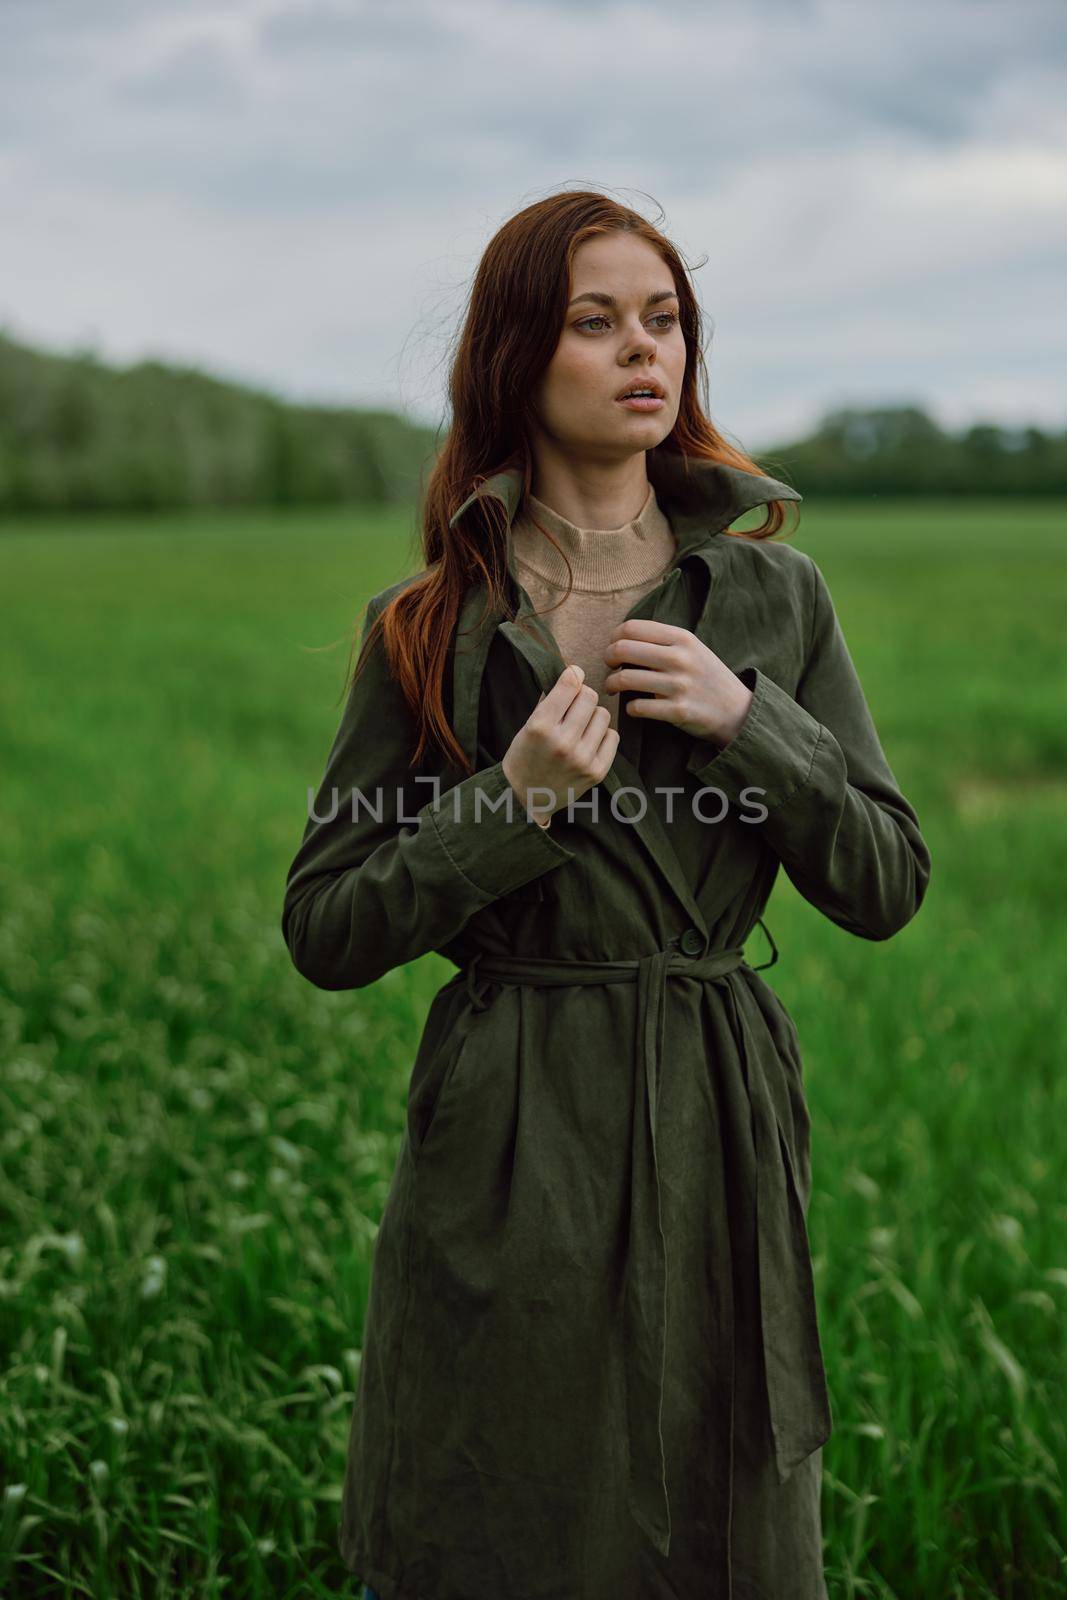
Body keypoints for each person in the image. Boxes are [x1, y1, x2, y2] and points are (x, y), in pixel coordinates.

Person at [281, 190, 932, 1600]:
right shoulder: (433, 624)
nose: (648, 350)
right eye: (596, 322)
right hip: (514, 1130)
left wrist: (751, 723)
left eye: (667, 319)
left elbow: (887, 882)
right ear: (518, 356)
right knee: (501, 1511)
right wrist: (505, 806)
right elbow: (327, 926)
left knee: (726, 1524)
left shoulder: (776, 601)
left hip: (717, 1108)